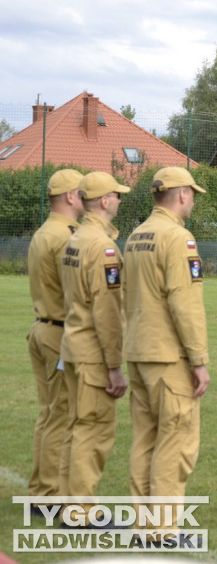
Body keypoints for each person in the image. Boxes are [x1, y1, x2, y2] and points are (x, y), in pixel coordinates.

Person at [123, 167, 211, 540]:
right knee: (175, 440)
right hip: (168, 355)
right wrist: (199, 360)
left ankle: (144, 522)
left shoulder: (135, 235)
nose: (192, 200)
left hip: (139, 350)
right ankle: (163, 527)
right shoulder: (178, 238)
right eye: (191, 193)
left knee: (145, 438)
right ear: (180, 195)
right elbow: (184, 303)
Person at [59, 171, 131, 527]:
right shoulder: (102, 247)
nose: (119, 200)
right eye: (117, 195)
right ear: (104, 201)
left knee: (77, 427)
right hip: (91, 353)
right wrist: (114, 366)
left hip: (72, 346)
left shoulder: (75, 239)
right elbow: (107, 311)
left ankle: (68, 505)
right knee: (94, 430)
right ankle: (81, 513)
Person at [26, 169, 84, 513]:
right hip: (60, 332)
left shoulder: (43, 231)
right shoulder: (66, 236)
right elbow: (74, 288)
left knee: (49, 415)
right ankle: (48, 494)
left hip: (41, 327)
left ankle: (39, 491)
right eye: (83, 193)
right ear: (71, 197)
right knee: (60, 416)